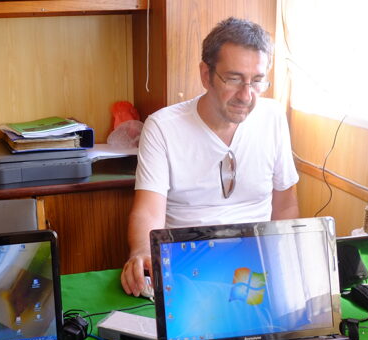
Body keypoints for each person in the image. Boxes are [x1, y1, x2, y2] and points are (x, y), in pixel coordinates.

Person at [121, 17, 300, 296]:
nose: (247, 95)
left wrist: (286, 264)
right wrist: (142, 252)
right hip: (186, 268)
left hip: (255, 266)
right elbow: (148, 211)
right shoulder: (163, 127)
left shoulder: (273, 116)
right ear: (206, 75)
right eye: (234, 79)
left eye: (257, 81)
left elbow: (286, 207)